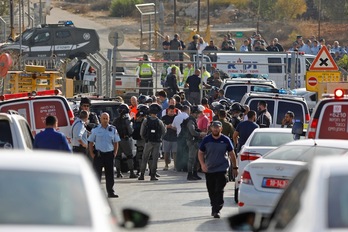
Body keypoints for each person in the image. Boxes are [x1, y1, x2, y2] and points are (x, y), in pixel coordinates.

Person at [198, 121, 238, 219]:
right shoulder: (207, 140)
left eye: (217, 127)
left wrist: (235, 167)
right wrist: (202, 164)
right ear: (211, 128)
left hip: (222, 168)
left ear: (221, 129)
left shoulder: (225, 140)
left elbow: (232, 154)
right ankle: (214, 206)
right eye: (214, 127)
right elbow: (200, 152)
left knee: (219, 189)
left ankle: (217, 210)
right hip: (209, 168)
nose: (215, 129)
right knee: (211, 190)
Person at [88, 112, 120, 198]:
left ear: (109, 119)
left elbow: (116, 142)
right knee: (96, 175)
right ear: (100, 119)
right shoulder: (95, 129)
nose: (105, 120)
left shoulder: (113, 129)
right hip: (98, 155)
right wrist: (91, 154)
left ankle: (110, 192)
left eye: (106, 118)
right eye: (103, 118)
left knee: (110, 175)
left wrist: (114, 153)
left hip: (109, 155)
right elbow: (90, 142)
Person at [138, 103, 166, 181]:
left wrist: (146, 138)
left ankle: (142, 175)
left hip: (148, 142)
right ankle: (153, 175)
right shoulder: (159, 121)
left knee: (144, 158)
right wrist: (159, 138)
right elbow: (164, 132)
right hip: (157, 142)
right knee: (154, 159)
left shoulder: (146, 121)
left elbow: (141, 133)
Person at [181, 105, 207, 180]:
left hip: (193, 140)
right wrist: (200, 134)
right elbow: (192, 131)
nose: (199, 115)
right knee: (191, 158)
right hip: (192, 141)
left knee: (196, 158)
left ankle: (194, 173)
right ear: (194, 113)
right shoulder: (190, 121)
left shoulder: (192, 120)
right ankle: (190, 174)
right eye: (198, 113)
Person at [113, 104, 137, 179]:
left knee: (118, 156)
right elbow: (130, 130)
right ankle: (132, 172)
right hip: (125, 139)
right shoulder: (127, 119)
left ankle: (118, 173)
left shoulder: (116, 120)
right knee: (129, 156)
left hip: (117, 139)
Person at [131, 104, 149, 175]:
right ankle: (149, 171)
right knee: (148, 156)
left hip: (138, 140)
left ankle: (139, 170)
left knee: (140, 155)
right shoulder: (147, 120)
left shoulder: (136, 119)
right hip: (146, 140)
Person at [172, 105, 190, 171]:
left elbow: (173, 126)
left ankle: (178, 167)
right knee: (185, 152)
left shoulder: (176, 117)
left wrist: (178, 129)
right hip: (186, 136)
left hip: (179, 136)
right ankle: (185, 167)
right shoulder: (188, 117)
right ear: (187, 110)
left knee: (179, 152)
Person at [161, 105, 178, 170]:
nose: (172, 113)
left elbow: (179, 126)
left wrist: (174, 128)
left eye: (173, 111)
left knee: (175, 152)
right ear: (168, 111)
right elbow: (162, 125)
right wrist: (167, 126)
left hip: (174, 137)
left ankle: (175, 166)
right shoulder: (164, 117)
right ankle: (166, 165)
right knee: (166, 152)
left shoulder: (176, 117)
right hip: (166, 137)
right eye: (170, 111)